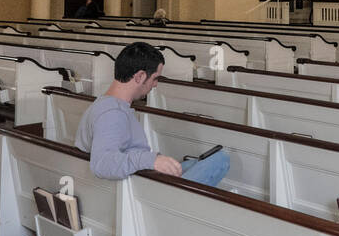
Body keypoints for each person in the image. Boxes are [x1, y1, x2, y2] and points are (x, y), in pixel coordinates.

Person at [75, 42, 231, 185]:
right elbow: (103, 164)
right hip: (142, 188)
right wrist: (151, 160)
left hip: (141, 178)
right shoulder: (112, 114)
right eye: (155, 78)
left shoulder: (106, 103)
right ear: (140, 76)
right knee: (221, 160)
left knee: (195, 163)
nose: (155, 85)